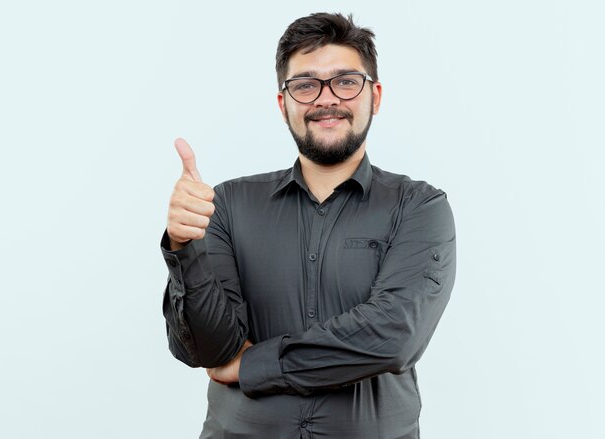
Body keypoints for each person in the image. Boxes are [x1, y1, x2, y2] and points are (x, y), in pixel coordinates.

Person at [161, 12, 456, 439]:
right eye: (305, 85)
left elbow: (393, 335)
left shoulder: (419, 207)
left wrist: (252, 366)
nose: (326, 98)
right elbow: (208, 350)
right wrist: (183, 245)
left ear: (375, 96)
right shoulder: (225, 204)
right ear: (284, 104)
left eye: (345, 81)